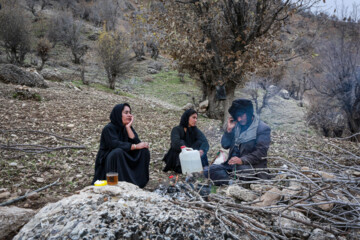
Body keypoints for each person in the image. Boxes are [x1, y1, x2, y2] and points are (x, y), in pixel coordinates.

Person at [204, 99, 271, 185]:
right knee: (208, 170)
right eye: (237, 116)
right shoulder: (236, 125)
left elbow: (261, 153)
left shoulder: (262, 128)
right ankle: (231, 181)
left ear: (249, 113)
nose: (239, 119)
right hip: (231, 165)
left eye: (242, 115)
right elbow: (225, 145)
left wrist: (241, 160)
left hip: (250, 166)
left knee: (244, 172)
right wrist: (229, 130)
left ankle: (230, 180)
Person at [91, 103, 150, 188]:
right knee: (117, 152)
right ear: (118, 114)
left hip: (123, 155)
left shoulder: (126, 127)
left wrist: (128, 127)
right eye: (126, 113)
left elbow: (136, 142)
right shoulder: (108, 128)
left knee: (143, 150)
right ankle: (117, 182)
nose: (129, 115)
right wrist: (135, 146)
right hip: (109, 159)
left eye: (130, 112)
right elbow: (114, 144)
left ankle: (136, 182)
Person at [163, 109, 210, 173]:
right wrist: (185, 148)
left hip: (191, 154)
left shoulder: (195, 130)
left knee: (200, 142)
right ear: (187, 117)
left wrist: (201, 150)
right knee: (181, 142)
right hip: (178, 155)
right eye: (193, 117)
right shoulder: (176, 129)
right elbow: (175, 143)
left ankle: (203, 166)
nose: (195, 120)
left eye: (196, 118)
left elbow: (204, 141)